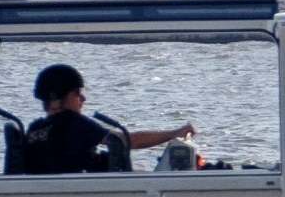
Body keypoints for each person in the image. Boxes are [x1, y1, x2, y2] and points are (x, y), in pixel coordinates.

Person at [13, 63, 195, 175]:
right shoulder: (73, 123)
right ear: (57, 99)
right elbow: (127, 141)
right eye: (77, 94)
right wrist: (174, 133)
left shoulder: (35, 129)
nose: (83, 99)